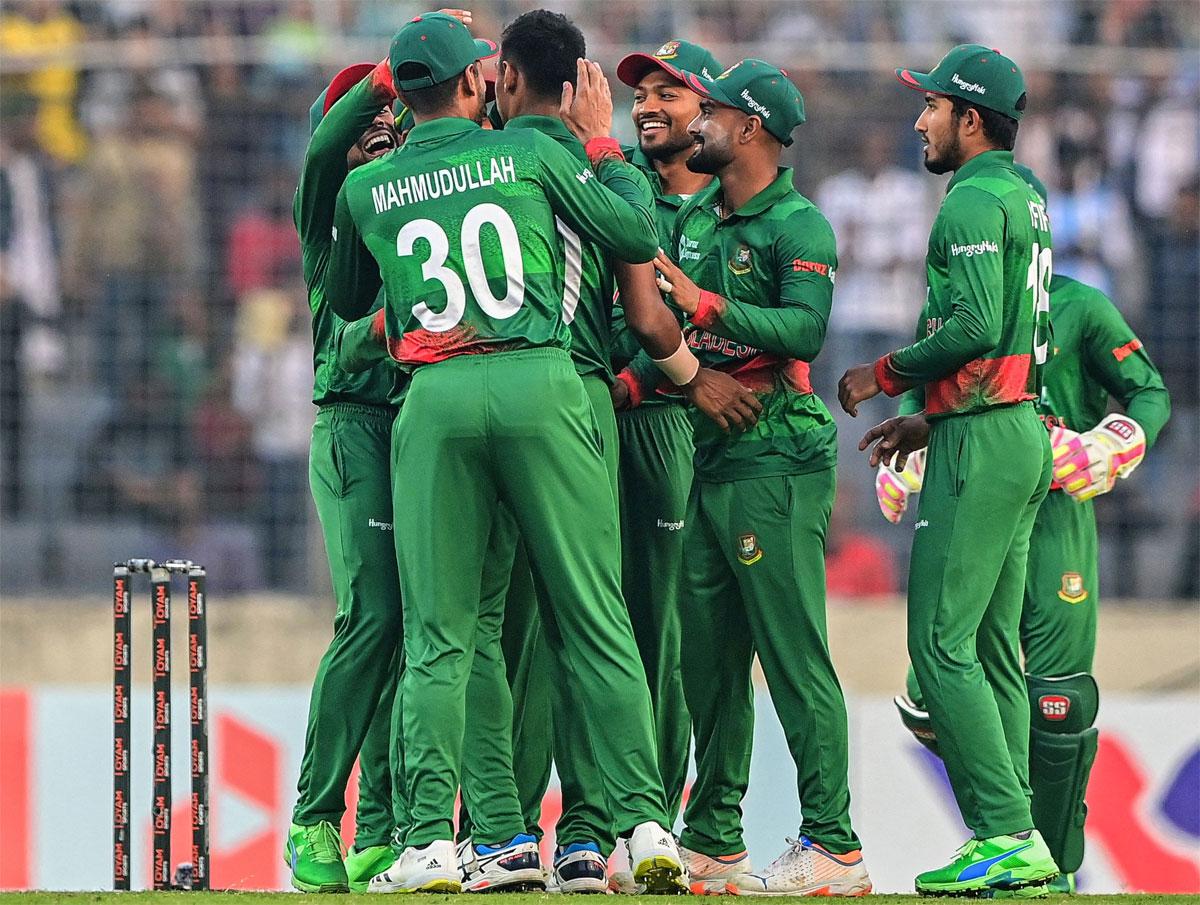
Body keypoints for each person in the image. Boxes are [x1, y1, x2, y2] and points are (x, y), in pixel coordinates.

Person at [325, 11, 710, 894]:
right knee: (593, 614)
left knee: (440, 634)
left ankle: (427, 843)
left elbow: (349, 297)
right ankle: (646, 825)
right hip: (542, 382)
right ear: (475, 83)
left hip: (434, 400)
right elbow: (633, 235)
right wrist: (606, 145)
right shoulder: (536, 156)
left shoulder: (368, 188)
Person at [886, 165, 1171, 895]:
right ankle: (1010, 842)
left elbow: (1150, 392)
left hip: (1057, 525)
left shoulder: (1080, 308)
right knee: (939, 686)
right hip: (974, 498)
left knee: (1059, 702)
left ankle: (1056, 871)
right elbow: (932, 388)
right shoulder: (956, 304)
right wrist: (911, 453)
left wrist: (1112, 441)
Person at [837, 44, 1059, 896]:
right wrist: (927, 417)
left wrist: (882, 373)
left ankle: (1003, 831)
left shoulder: (969, 200)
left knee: (940, 644)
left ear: (970, 119)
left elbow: (970, 325)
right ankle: (1022, 839)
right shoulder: (1026, 195)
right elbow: (1005, 335)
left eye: (931, 107)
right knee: (993, 649)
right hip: (1019, 429)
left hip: (985, 442)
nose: (918, 121)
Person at [646, 59, 871, 896]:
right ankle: (713, 837)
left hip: (778, 449)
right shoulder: (696, 216)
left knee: (791, 653)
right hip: (709, 450)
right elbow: (661, 324)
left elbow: (805, 331)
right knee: (708, 660)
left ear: (751, 128)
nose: (694, 124)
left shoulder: (800, 224)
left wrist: (707, 307)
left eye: (710, 113)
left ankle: (835, 846)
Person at [284, 55, 408, 893]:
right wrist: (392, 75)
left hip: (415, 427)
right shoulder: (325, 217)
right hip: (351, 427)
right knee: (372, 614)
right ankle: (312, 817)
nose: (380, 148)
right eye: (366, 136)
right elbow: (327, 148)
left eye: (393, 138)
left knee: (412, 630)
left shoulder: (413, 213)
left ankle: (382, 831)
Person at [609, 43, 726, 887]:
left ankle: (656, 824)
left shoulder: (734, 208)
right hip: (593, 421)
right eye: (641, 94)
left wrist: (639, 376)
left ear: (708, 112)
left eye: (667, 94)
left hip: (671, 424)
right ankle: (596, 823)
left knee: (666, 637)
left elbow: (724, 330)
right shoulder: (621, 190)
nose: (647, 106)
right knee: (582, 623)